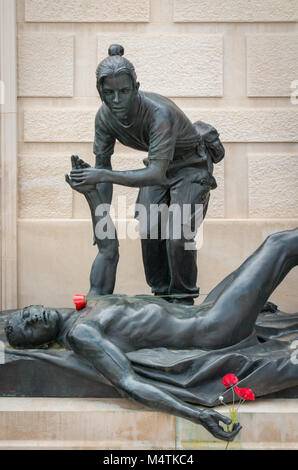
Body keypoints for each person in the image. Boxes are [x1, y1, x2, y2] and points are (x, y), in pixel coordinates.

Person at [5, 227, 298, 441]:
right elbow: (128, 383)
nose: (33, 317)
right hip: (215, 326)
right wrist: (197, 415)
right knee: (280, 245)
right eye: (29, 327)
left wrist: (93, 191)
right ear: (42, 343)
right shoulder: (83, 334)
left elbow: (108, 249)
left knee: (280, 253)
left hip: (209, 309)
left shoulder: (92, 299)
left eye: (26, 312)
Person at [69, 44, 224, 305]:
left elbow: (151, 173)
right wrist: (102, 222)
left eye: (124, 91)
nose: (116, 100)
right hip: (157, 166)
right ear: (100, 92)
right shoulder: (104, 118)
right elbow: (102, 167)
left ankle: (183, 301)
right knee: (150, 231)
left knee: (178, 236)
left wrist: (102, 175)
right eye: (109, 93)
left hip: (189, 166)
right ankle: (163, 298)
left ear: (136, 88)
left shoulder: (158, 114)